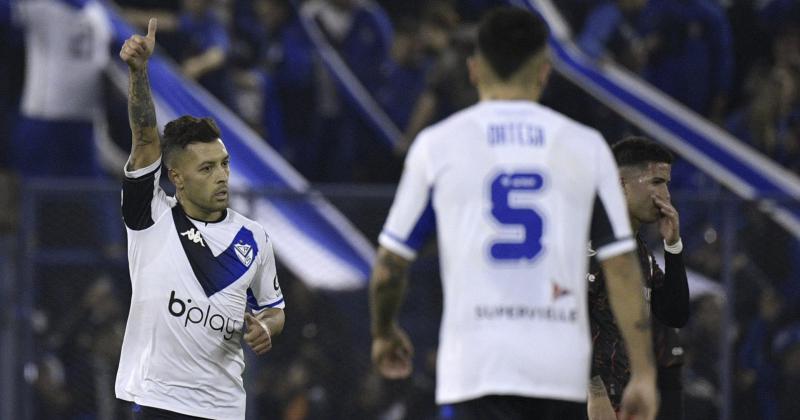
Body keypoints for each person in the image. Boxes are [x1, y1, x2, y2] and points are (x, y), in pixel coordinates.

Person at [368, 8, 658, 420]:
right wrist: (643, 373)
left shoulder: (437, 146)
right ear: (544, 72)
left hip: (474, 368)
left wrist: (383, 332)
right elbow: (623, 268)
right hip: (557, 370)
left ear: (473, 69)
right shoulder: (585, 147)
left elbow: (391, 263)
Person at [115, 19, 285, 419]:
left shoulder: (254, 239)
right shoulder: (150, 216)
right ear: (176, 178)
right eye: (207, 169)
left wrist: (266, 327)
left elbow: (274, 308)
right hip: (157, 401)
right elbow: (143, 138)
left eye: (224, 165)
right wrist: (140, 74)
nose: (222, 176)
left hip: (223, 408)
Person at [585, 137, 690, 420]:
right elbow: (569, 319)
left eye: (666, 184)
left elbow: (674, 313)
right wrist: (594, 394)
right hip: (582, 404)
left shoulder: (637, 251)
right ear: (620, 183)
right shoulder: (589, 240)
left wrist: (673, 246)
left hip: (620, 402)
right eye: (656, 182)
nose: (665, 195)